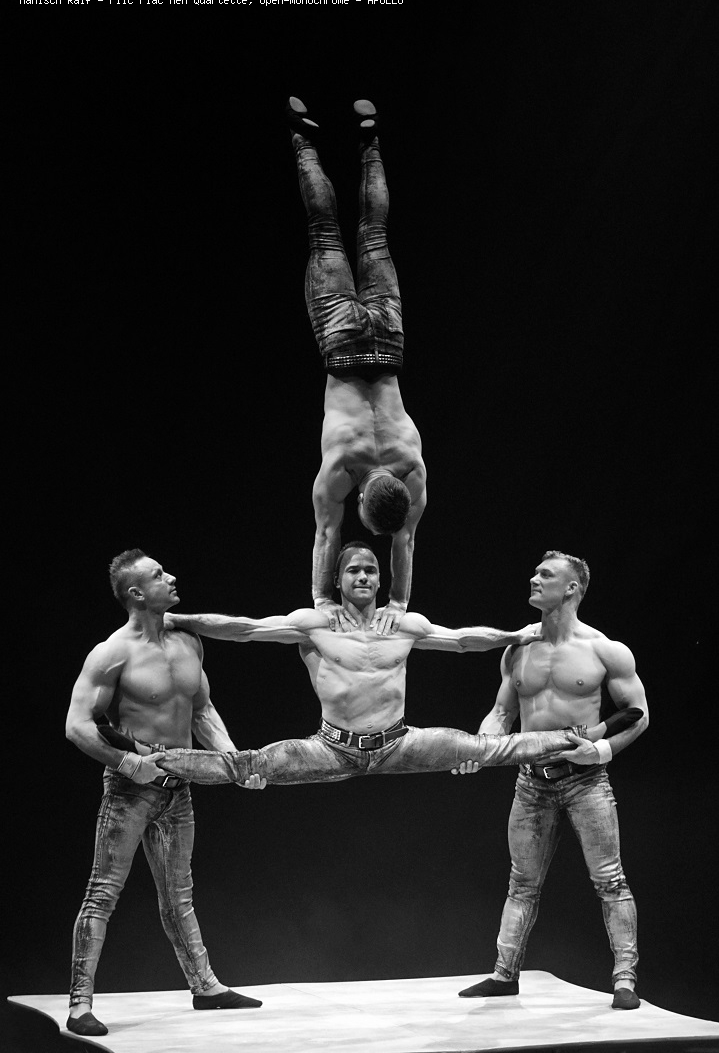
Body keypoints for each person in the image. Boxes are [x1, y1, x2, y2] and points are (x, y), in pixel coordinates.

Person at [99, 544, 639, 789]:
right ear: (339, 581)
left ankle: (584, 738)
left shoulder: (403, 624)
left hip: (400, 742)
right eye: (354, 570)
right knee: (247, 766)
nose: (363, 577)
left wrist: (515, 635)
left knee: (486, 748)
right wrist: (178, 618)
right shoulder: (315, 623)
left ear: (381, 580)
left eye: (371, 571)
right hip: (330, 746)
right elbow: (244, 628)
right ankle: (152, 758)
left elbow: (460, 641)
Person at [64, 549, 264, 1038]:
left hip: (180, 786)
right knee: (102, 892)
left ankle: (205, 986)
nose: (171, 577)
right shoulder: (112, 652)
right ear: (136, 593)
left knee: (179, 894)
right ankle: (79, 1004)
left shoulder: (188, 642)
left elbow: (202, 711)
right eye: (158, 575)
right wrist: (129, 764)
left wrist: (234, 763)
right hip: (130, 789)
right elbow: (77, 725)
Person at [453, 551, 648, 1011]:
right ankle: (504, 974)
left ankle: (625, 980)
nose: (534, 579)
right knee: (521, 883)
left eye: (546, 574)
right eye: (536, 572)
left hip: (585, 780)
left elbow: (639, 715)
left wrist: (600, 750)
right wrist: (481, 747)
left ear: (572, 588)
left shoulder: (604, 649)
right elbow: (501, 712)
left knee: (610, 880)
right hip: (531, 781)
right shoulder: (518, 647)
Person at [287, 96, 426, 635]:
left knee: (374, 233)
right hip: (342, 347)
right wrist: (323, 600)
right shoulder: (341, 466)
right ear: (363, 496)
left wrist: (400, 601)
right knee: (324, 230)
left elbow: (404, 537)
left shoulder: (412, 467)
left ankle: (370, 139)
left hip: (388, 347)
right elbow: (327, 534)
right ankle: (302, 140)